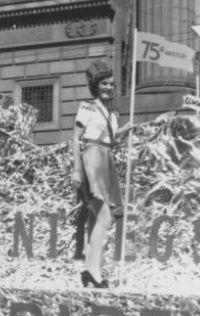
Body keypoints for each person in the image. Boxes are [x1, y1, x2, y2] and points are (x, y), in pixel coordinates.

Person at [71, 58, 127, 288]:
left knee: (97, 219)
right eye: (105, 83)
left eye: (112, 84)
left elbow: (109, 140)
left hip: (107, 160)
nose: (109, 87)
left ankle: (91, 272)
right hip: (92, 158)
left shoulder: (113, 115)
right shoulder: (87, 107)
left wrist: (126, 131)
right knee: (104, 217)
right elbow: (76, 139)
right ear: (96, 85)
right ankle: (93, 272)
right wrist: (76, 169)